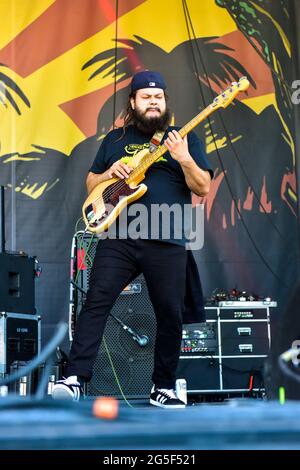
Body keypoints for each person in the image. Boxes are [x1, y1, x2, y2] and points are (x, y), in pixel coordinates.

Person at [52, 70, 213, 408]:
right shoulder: (114, 140)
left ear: (165, 102)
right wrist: (109, 173)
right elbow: (91, 183)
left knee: (170, 313)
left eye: (159, 97)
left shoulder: (184, 138)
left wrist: (183, 157)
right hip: (120, 235)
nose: (153, 102)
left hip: (168, 236)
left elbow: (202, 187)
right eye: (146, 97)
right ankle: (75, 379)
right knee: (96, 301)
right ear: (133, 102)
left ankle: (163, 387)